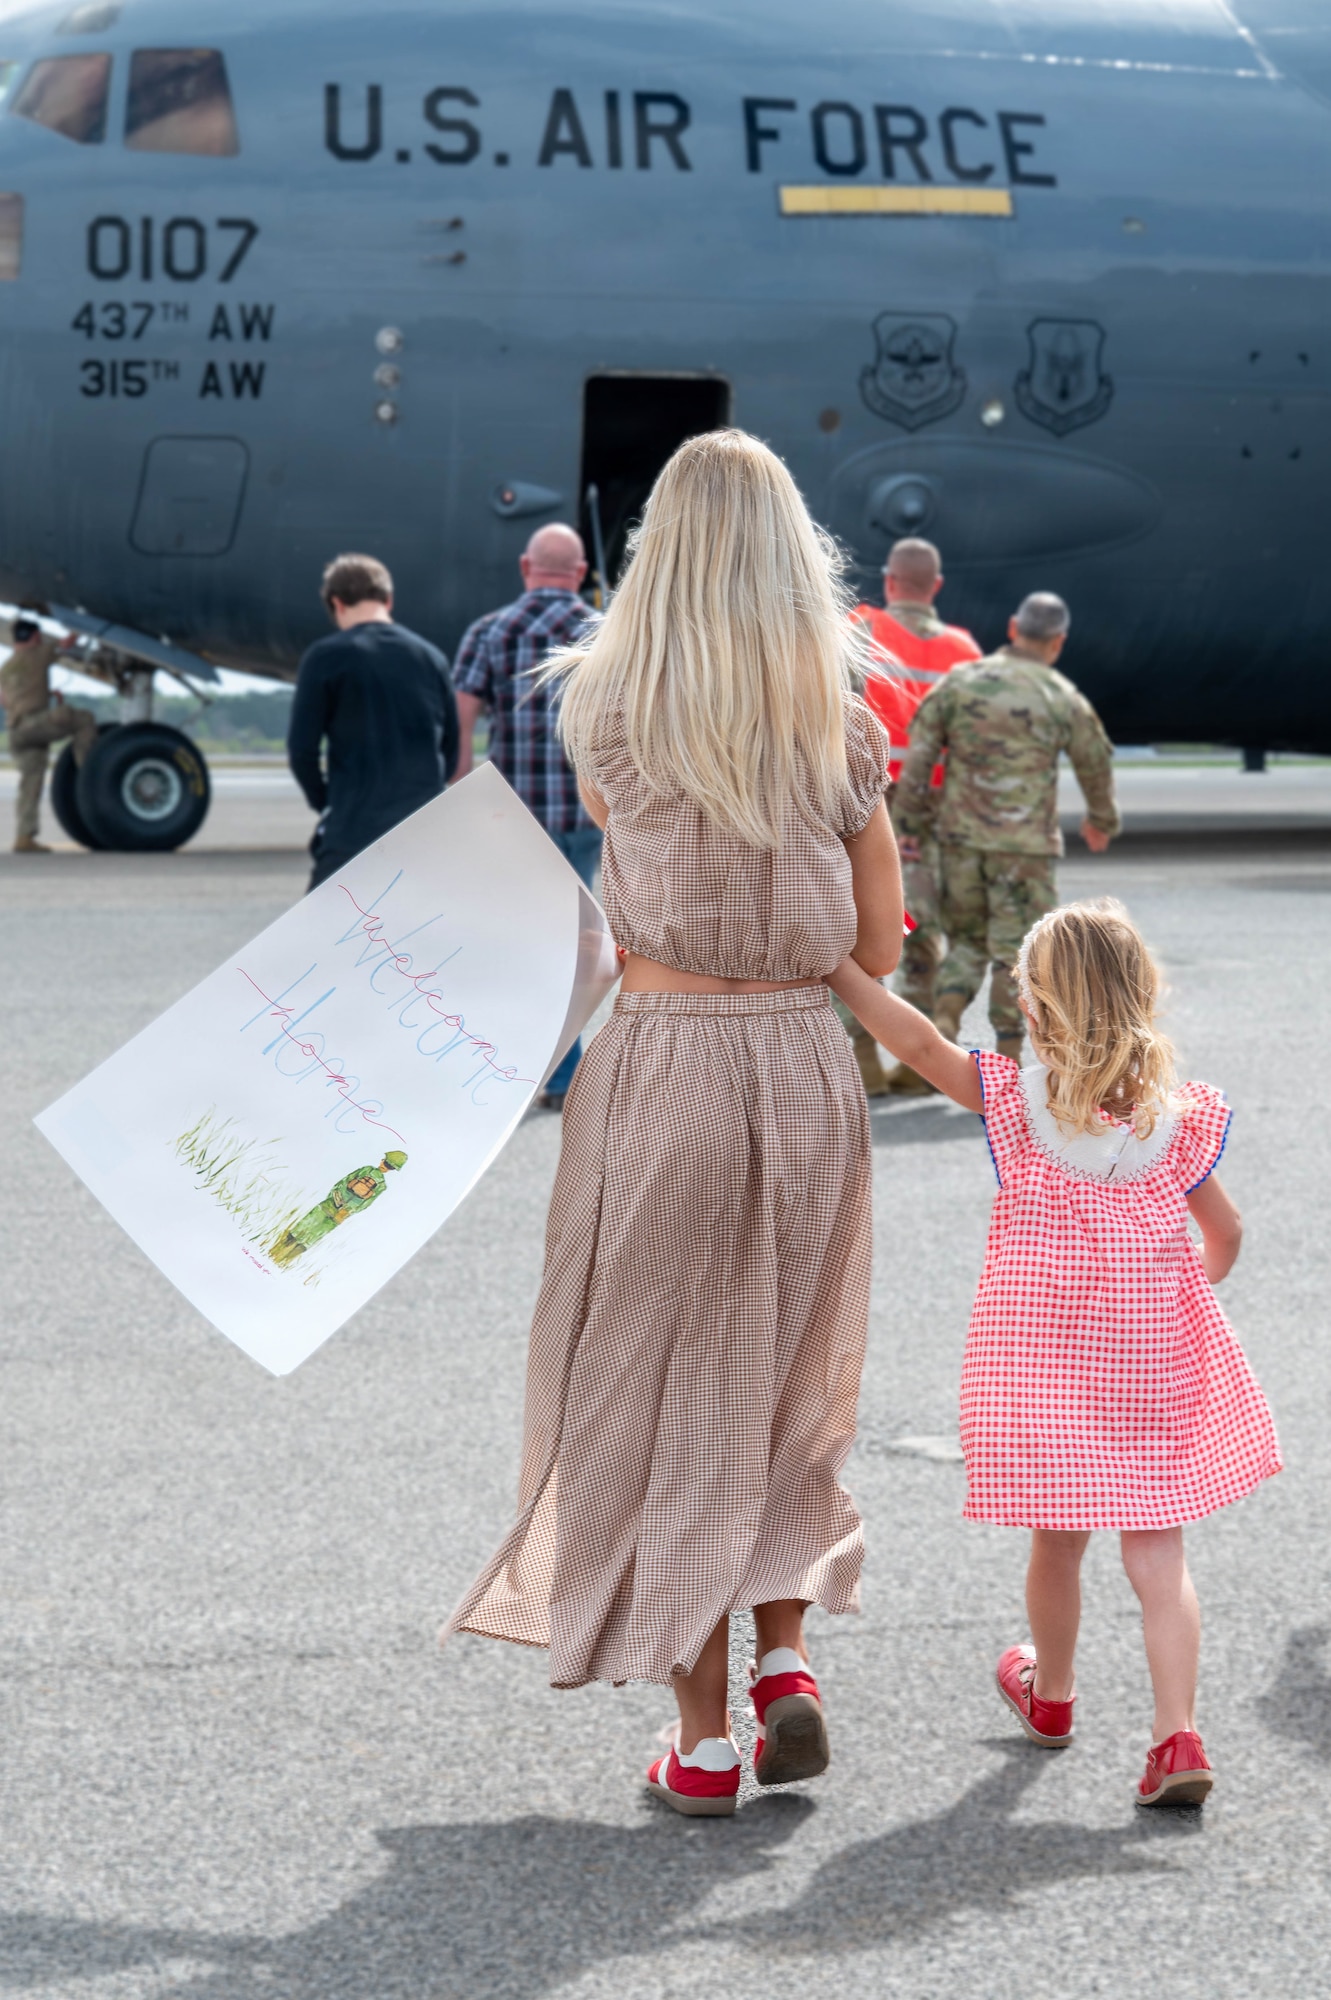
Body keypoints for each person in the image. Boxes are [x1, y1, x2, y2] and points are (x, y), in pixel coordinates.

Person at [442, 431, 903, 1816]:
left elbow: (610, 847)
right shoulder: (842, 713)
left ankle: (701, 1745)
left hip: (659, 1059)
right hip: (799, 1059)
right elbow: (873, 942)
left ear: (659, 546)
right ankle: (784, 1660)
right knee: (782, 1374)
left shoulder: (605, 708)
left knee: (657, 1388)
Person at [829, 899, 1280, 1807]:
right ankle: (1175, 1735)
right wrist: (1186, 1282)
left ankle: (1054, 1697)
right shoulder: (1177, 1120)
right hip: (1149, 1355)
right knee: (1159, 1559)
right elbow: (1226, 1236)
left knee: (1058, 1547)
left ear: (1032, 1010)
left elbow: (918, 1047)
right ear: (1142, 997)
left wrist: (840, 970)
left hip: (1045, 1375)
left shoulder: (1017, 1104)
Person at [894, 591, 1120, 1075]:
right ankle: (1010, 1057)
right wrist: (1102, 820)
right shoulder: (1060, 695)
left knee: (969, 943)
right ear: (1058, 642)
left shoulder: (960, 683)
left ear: (1014, 627)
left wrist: (909, 824)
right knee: (1019, 950)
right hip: (1027, 849)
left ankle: (944, 1026)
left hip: (959, 842)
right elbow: (1095, 760)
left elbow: (919, 755)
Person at [452, 524, 600, 1111]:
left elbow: (461, 719)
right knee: (576, 943)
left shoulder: (490, 631)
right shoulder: (605, 631)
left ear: (524, 566)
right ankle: (565, 1069)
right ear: (582, 572)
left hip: (517, 819)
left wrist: (462, 787)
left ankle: (548, 1069)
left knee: (529, 943)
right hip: (590, 814)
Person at [850, 537, 981, 1095]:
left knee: (858, 932)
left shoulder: (861, 629)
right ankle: (920, 1066)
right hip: (937, 812)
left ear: (889, 581)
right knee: (919, 930)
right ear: (938, 587)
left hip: (871, 803)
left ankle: (862, 1062)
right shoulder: (965, 651)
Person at [287, 555, 458, 892]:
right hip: (422, 830)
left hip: (354, 827)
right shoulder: (431, 657)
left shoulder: (325, 658)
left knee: (325, 935)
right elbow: (451, 751)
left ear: (336, 604)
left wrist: (327, 802)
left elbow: (301, 751)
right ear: (388, 600)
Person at [1, 609, 95, 853]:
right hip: (35, 724)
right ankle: (88, 776)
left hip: (16, 731)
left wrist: (45, 696)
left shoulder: (6, 667)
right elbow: (67, 643)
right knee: (83, 720)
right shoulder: (39, 652)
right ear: (34, 637)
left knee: (30, 782)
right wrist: (83, 624)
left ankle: (24, 838)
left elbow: (6, 700)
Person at [268, 1151, 407, 1268]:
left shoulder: (366, 1169)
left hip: (329, 1203)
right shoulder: (382, 1186)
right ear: (392, 1169)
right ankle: (281, 1262)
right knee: (312, 1237)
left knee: (301, 1229)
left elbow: (343, 1182)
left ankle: (272, 1254)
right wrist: (348, 1210)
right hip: (341, 1215)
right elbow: (365, 1204)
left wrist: (335, 1197)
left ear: (383, 1161)